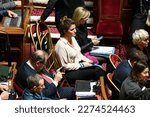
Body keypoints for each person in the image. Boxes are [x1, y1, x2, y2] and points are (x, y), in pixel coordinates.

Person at [55, 16, 106, 84]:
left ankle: (102, 89)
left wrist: (87, 60)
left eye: (75, 28)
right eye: (72, 29)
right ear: (65, 31)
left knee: (98, 67)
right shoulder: (61, 45)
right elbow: (65, 66)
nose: (75, 31)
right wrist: (82, 65)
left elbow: (78, 53)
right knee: (98, 71)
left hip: (78, 66)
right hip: (69, 73)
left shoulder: (72, 38)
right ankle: (105, 91)